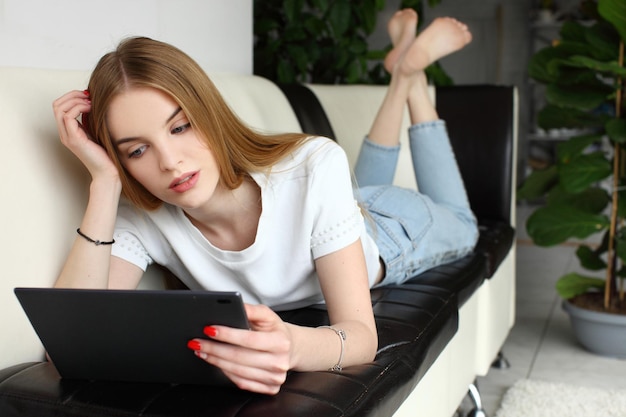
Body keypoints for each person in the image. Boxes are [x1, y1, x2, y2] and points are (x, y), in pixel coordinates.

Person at [52, 9, 477, 395]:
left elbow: (362, 338)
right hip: (340, 211)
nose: (170, 162)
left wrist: (293, 344)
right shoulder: (143, 215)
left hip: (388, 231)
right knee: (356, 188)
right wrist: (104, 182)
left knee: (465, 224)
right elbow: (70, 343)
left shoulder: (313, 165)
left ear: (207, 110)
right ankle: (404, 73)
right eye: (136, 151)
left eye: (180, 127)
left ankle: (410, 82)